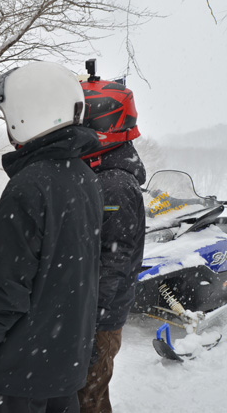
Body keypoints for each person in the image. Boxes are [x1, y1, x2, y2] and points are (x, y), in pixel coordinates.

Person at [0, 61, 104, 413]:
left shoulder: (29, 186)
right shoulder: (85, 177)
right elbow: (83, 274)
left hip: (23, 371)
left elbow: (5, 288)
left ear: (27, 113)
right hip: (66, 362)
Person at [77, 70, 146, 413]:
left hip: (99, 319)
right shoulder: (101, 171)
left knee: (88, 396)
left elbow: (113, 259)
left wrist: (89, 319)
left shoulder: (114, 183)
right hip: (93, 311)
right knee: (88, 394)